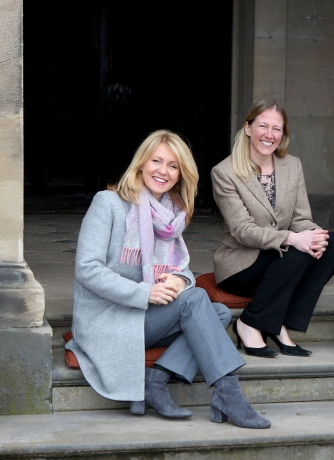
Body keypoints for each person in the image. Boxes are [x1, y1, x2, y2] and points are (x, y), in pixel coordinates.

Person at [66, 130, 270, 429]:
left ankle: (157, 379)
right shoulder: (108, 203)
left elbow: (181, 269)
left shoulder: (171, 214)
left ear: (180, 174)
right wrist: (144, 292)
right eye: (156, 161)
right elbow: (87, 269)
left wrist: (180, 281)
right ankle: (229, 394)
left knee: (218, 311)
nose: (163, 171)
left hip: (141, 316)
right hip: (108, 318)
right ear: (141, 164)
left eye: (173, 165)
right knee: (200, 302)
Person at [211, 100, 334, 358]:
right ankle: (249, 322)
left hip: (281, 260)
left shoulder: (292, 165)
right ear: (248, 127)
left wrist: (313, 236)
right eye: (263, 126)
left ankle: (279, 321)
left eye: (277, 129)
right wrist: (292, 238)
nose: (269, 135)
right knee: (296, 250)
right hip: (242, 264)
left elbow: (301, 218)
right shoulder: (224, 172)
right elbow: (242, 230)